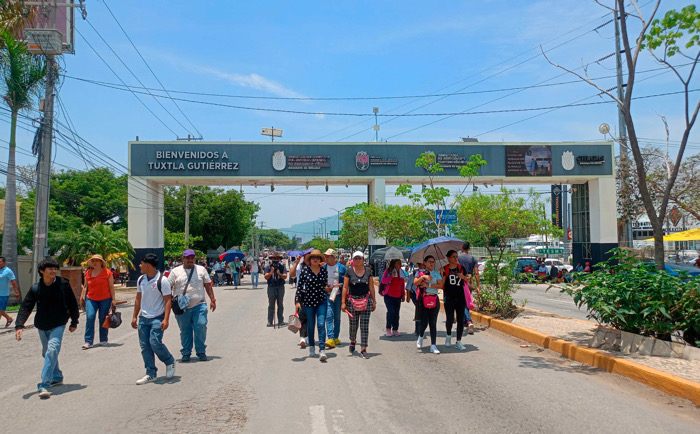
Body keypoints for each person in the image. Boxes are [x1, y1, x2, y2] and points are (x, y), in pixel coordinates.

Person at [15, 258, 80, 399]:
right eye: (50, 269)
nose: (53, 271)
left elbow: (72, 304)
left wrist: (74, 321)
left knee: (52, 350)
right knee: (47, 353)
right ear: (42, 271)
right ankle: (57, 376)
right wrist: (19, 325)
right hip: (42, 325)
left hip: (59, 323)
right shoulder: (36, 288)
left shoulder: (63, 285)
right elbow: (26, 306)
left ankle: (44, 385)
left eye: (55, 268)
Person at [132, 254, 176, 385]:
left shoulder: (162, 280)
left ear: (148, 264)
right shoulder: (141, 279)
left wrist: (166, 319)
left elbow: (168, 300)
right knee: (145, 347)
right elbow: (138, 298)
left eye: (141, 263)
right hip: (143, 318)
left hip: (157, 317)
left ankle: (169, 361)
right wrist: (134, 316)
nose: (139, 266)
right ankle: (151, 373)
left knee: (155, 342)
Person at [168, 249, 216, 362]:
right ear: (183, 259)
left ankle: (201, 351)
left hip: (199, 304)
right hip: (182, 308)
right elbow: (167, 287)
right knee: (185, 330)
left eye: (192, 257)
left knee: (201, 325)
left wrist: (212, 299)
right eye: (187, 257)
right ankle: (186, 352)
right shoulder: (175, 271)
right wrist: (170, 301)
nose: (190, 259)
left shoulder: (201, 270)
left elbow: (208, 285)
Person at [295, 249, 329, 361]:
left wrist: (328, 288)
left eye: (318, 258)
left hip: (321, 301)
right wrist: (298, 301)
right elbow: (299, 288)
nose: (315, 259)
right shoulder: (305, 271)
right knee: (310, 325)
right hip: (308, 302)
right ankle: (312, 347)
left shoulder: (324, 271)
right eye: (313, 257)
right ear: (310, 259)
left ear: (320, 260)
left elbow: (325, 285)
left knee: (320, 324)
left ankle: (322, 350)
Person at [341, 251, 377, 359]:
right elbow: (345, 287)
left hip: (366, 301)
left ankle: (363, 349)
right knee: (353, 324)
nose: (357, 260)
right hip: (352, 301)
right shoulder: (349, 271)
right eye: (355, 258)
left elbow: (371, 287)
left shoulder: (368, 271)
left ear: (363, 260)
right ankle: (353, 340)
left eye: (359, 258)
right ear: (353, 260)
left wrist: (374, 301)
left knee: (364, 326)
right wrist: (343, 302)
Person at [80, 255, 116, 350]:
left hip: (105, 298)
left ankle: (103, 339)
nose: (95, 262)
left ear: (101, 262)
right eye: (93, 261)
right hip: (91, 298)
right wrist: (81, 297)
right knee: (90, 317)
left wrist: (113, 299)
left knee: (103, 318)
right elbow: (85, 286)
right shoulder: (88, 273)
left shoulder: (107, 273)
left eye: (97, 261)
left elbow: (111, 287)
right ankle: (88, 341)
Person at [441, 250, 469, 350]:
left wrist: (464, 277)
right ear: (448, 258)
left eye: (456, 256)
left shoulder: (461, 268)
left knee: (460, 319)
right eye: (453, 257)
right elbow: (442, 284)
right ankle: (448, 336)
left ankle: (458, 341)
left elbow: (468, 279)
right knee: (450, 318)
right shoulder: (445, 269)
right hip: (449, 297)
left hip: (460, 297)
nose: (455, 258)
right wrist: (442, 274)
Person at [415, 255, 442, 354]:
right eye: (429, 262)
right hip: (423, 300)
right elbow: (415, 283)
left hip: (434, 299)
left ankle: (433, 345)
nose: (431, 264)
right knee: (424, 322)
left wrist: (429, 285)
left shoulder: (436, 273)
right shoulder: (420, 272)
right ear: (425, 262)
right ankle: (421, 336)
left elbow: (441, 285)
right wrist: (422, 277)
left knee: (433, 322)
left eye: (433, 262)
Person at [323, 248, 346, 349]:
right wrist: (325, 287)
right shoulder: (323, 268)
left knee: (337, 317)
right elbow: (320, 282)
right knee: (329, 316)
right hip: (327, 295)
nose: (326, 258)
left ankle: (336, 337)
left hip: (338, 295)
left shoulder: (342, 268)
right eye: (325, 256)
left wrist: (340, 284)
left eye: (328, 256)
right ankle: (331, 337)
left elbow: (346, 282)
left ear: (333, 257)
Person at [380, 258, 406, 337]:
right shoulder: (388, 271)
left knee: (396, 313)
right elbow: (383, 281)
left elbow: (402, 284)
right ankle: (388, 328)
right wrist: (391, 277)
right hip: (389, 295)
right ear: (394, 264)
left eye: (400, 263)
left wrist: (403, 295)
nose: (400, 265)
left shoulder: (401, 272)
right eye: (398, 263)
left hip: (397, 296)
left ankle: (395, 329)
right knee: (391, 312)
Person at [458, 242, 480, 335]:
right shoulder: (473, 259)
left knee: (462, 302)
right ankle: (464, 322)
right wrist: (478, 286)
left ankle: (469, 321)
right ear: (469, 249)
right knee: (467, 300)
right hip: (469, 280)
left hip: (460, 280)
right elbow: (476, 272)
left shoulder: (458, 258)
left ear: (461, 248)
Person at [290, 254, 310, 348]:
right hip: (300, 293)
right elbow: (292, 274)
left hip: (312, 293)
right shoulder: (299, 266)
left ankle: (307, 336)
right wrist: (296, 262)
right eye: (307, 256)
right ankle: (302, 337)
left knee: (310, 316)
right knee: (302, 315)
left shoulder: (315, 267)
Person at [264, 253, 288, 327]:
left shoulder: (282, 267)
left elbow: (285, 276)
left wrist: (279, 274)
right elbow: (266, 277)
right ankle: (270, 321)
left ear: (280, 260)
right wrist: (271, 272)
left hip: (280, 286)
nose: (275, 260)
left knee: (280, 304)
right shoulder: (268, 267)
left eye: (277, 259)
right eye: (274, 259)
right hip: (271, 286)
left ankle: (281, 320)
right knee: (271, 304)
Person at [0, 256, 19, 328]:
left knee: (0, 309)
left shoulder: (8, 271)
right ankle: (9, 318)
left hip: (3, 294)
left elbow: (13, 282)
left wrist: (16, 292)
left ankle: (9, 318)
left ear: (4, 262)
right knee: (0, 309)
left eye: (0, 262)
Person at [404, 261, 422, 335]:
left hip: (423, 294)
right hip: (414, 294)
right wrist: (408, 297)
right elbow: (408, 287)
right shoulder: (413, 274)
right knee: (419, 309)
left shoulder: (428, 273)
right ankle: (417, 328)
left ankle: (421, 327)